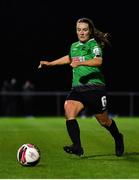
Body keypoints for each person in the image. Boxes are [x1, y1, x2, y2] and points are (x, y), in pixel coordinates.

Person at [38, 17, 124, 157]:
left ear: (90, 31)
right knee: (68, 109)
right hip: (77, 89)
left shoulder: (93, 44)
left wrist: (80, 63)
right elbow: (69, 58)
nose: (81, 32)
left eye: (84, 30)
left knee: (104, 122)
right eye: (79, 30)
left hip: (95, 88)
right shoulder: (74, 46)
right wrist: (50, 63)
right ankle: (77, 146)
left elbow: (98, 61)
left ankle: (118, 137)